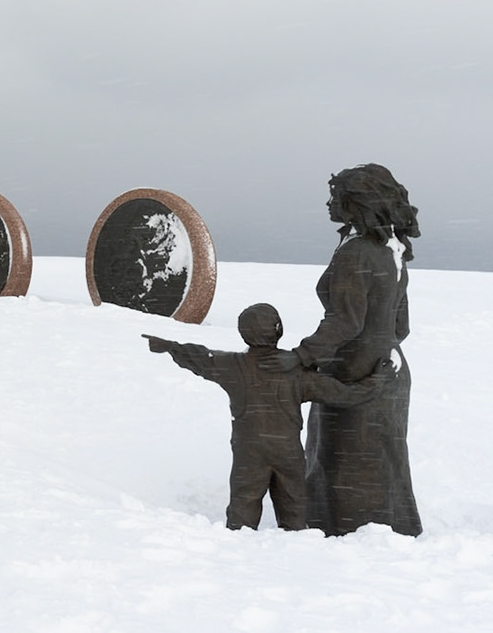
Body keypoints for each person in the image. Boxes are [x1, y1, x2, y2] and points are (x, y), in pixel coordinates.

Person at [264, 164, 423, 536]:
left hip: (354, 374)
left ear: (357, 203)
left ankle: (342, 531)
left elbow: (345, 323)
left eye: (336, 196)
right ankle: (387, 528)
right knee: (381, 460)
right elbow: (402, 325)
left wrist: (301, 357)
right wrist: (383, 349)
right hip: (388, 371)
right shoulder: (391, 250)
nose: (329, 202)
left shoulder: (357, 254)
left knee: (341, 461)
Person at [146, 303, 386, 530]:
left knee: (243, 504)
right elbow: (345, 395)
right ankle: (296, 544)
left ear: (244, 334)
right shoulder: (296, 373)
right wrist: (377, 381)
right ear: (278, 330)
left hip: (248, 451)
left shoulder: (231, 365)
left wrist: (170, 347)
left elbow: (202, 357)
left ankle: (237, 544)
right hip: (286, 451)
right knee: (294, 507)